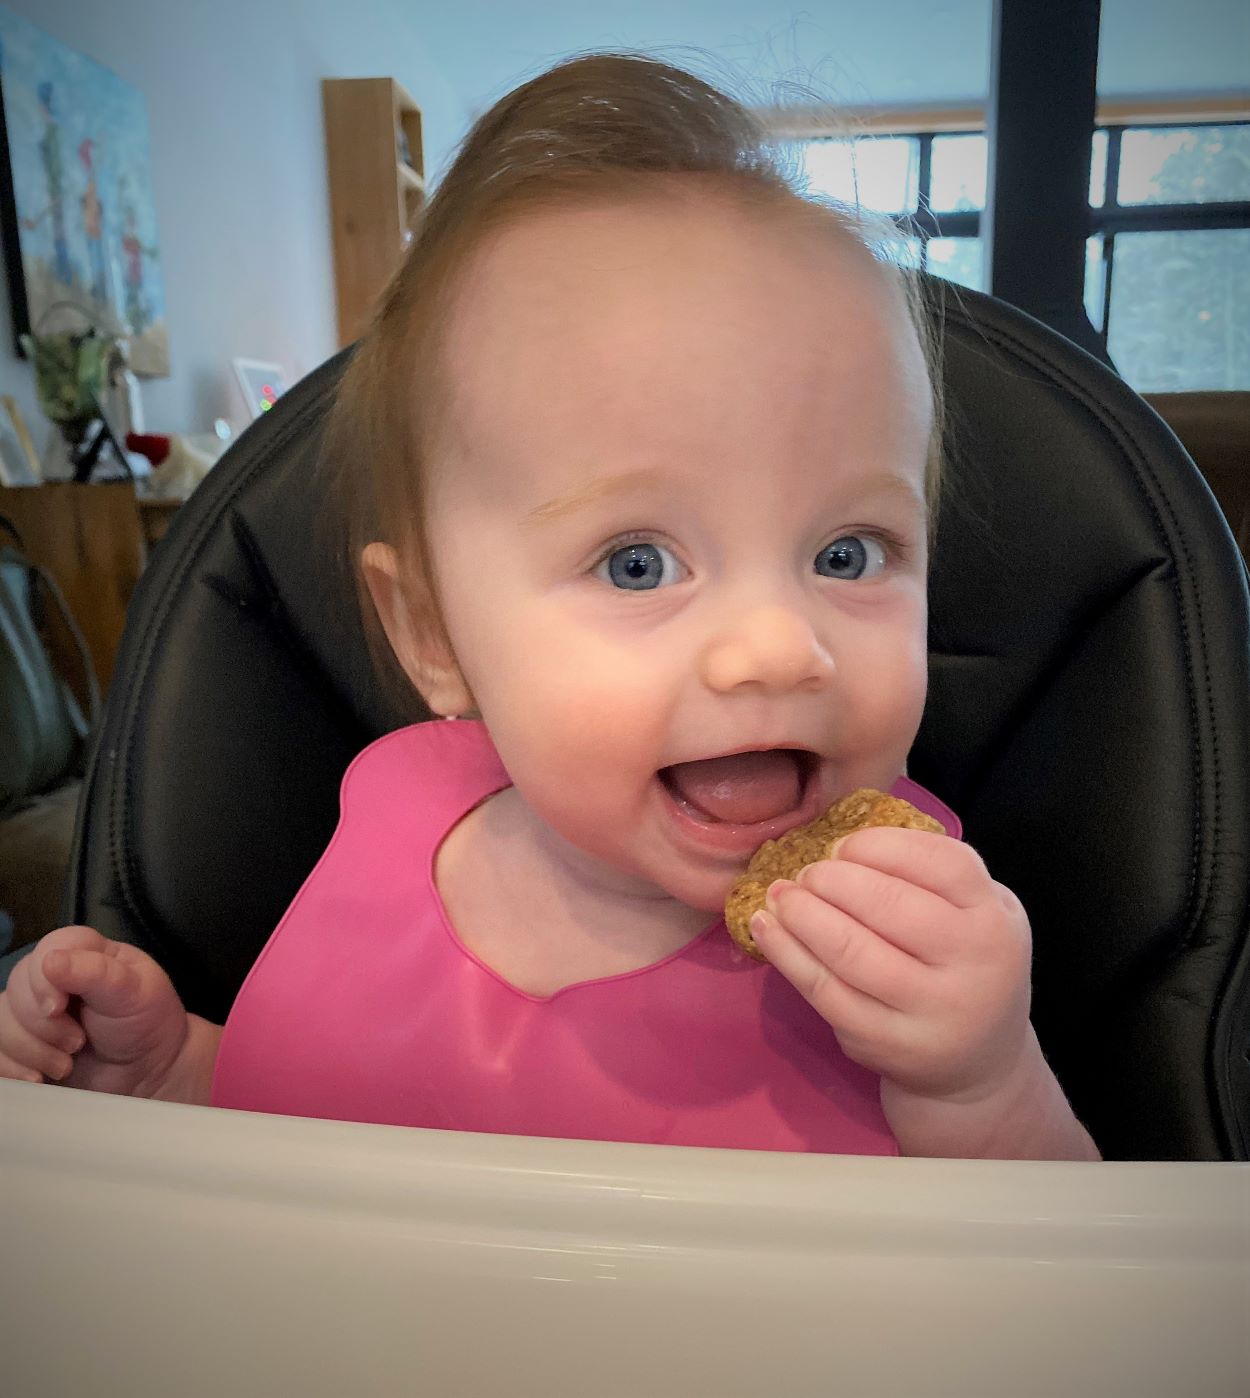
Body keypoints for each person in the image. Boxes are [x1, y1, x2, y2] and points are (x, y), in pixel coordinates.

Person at [0, 54, 1098, 1161]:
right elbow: (310, 1136)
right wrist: (174, 1077)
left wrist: (977, 1088)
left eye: (849, 552)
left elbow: (1067, 1279)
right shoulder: (391, 813)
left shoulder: (912, 937)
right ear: (431, 635)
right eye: (635, 563)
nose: (777, 647)